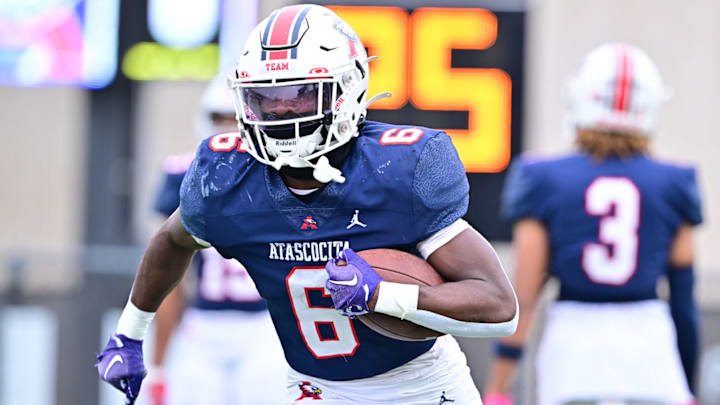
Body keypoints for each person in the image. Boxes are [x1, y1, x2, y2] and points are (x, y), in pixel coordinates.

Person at [96, 5, 518, 405]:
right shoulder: (225, 176)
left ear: (347, 88)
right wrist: (130, 333)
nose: (282, 111)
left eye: (299, 95)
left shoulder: (399, 168)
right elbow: (172, 240)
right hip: (315, 389)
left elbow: (500, 308)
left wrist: (384, 296)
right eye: (266, 97)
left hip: (421, 385)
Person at [483, 43, 701, 405]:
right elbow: (683, 300)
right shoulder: (675, 181)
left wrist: (499, 385)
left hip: (572, 349)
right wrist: (688, 384)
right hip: (651, 350)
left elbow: (525, 292)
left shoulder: (543, 177)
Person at [144, 76, 286, 405]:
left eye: (234, 120)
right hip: (203, 327)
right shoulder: (185, 173)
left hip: (265, 325)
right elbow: (169, 278)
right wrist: (159, 364)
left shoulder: (278, 172)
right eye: (219, 119)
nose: (227, 131)